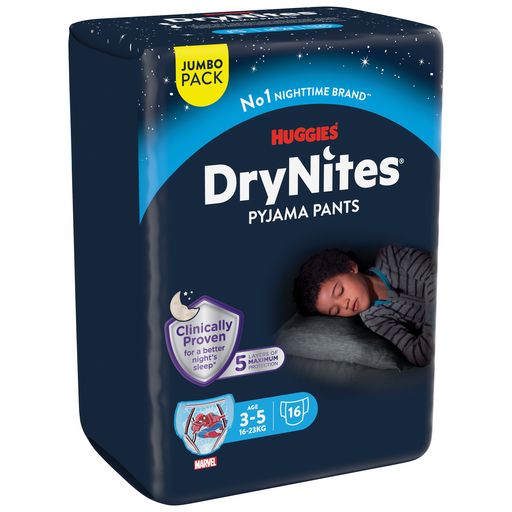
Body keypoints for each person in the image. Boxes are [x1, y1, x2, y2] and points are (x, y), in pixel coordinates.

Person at [293, 244, 436, 367]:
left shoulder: (391, 257)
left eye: (340, 291)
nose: (345, 305)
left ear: (351, 267)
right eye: (336, 310)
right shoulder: (372, 319)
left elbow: (436, 275)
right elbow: (419, 355)